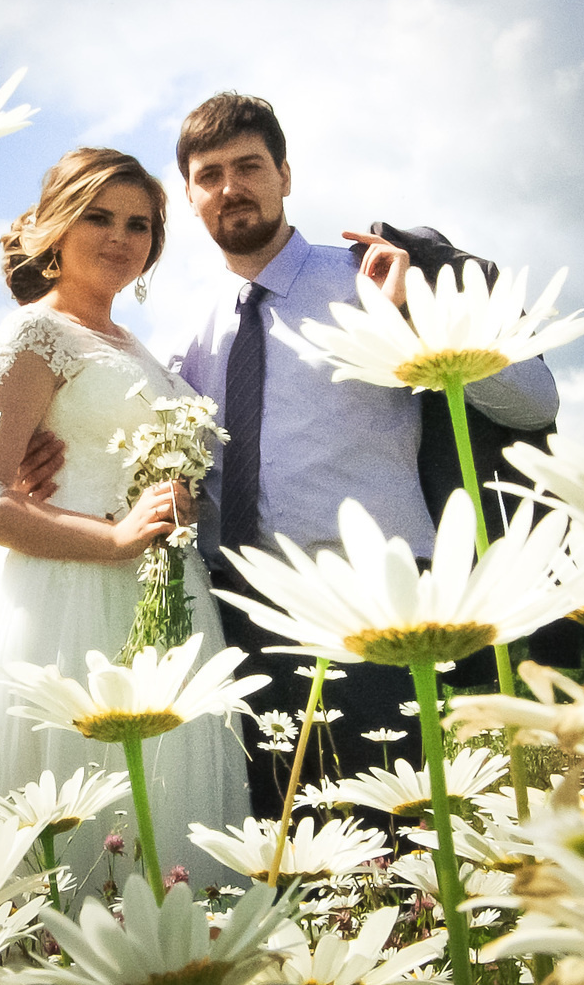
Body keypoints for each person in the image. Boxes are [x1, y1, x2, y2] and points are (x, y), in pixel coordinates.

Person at [171, 93, 561, 815]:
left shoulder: (374, 276)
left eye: (249, 166)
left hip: (377, 602)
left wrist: (418, 310)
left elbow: (536, 400)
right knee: (272, 847)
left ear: (286, 175)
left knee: (392, 830)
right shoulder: (193, 330)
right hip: (242, 618)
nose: (231, 187)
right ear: (190, 197)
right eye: (210, 174)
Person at [0, 146, 252, 888]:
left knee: (168, 827)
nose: (121, 237)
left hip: (163, 603)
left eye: (139, 224)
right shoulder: (32, 334)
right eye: (99, 217)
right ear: (56, 226)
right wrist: (113, 538)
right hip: (71, 606)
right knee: (84, 825)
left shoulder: (133, 345)